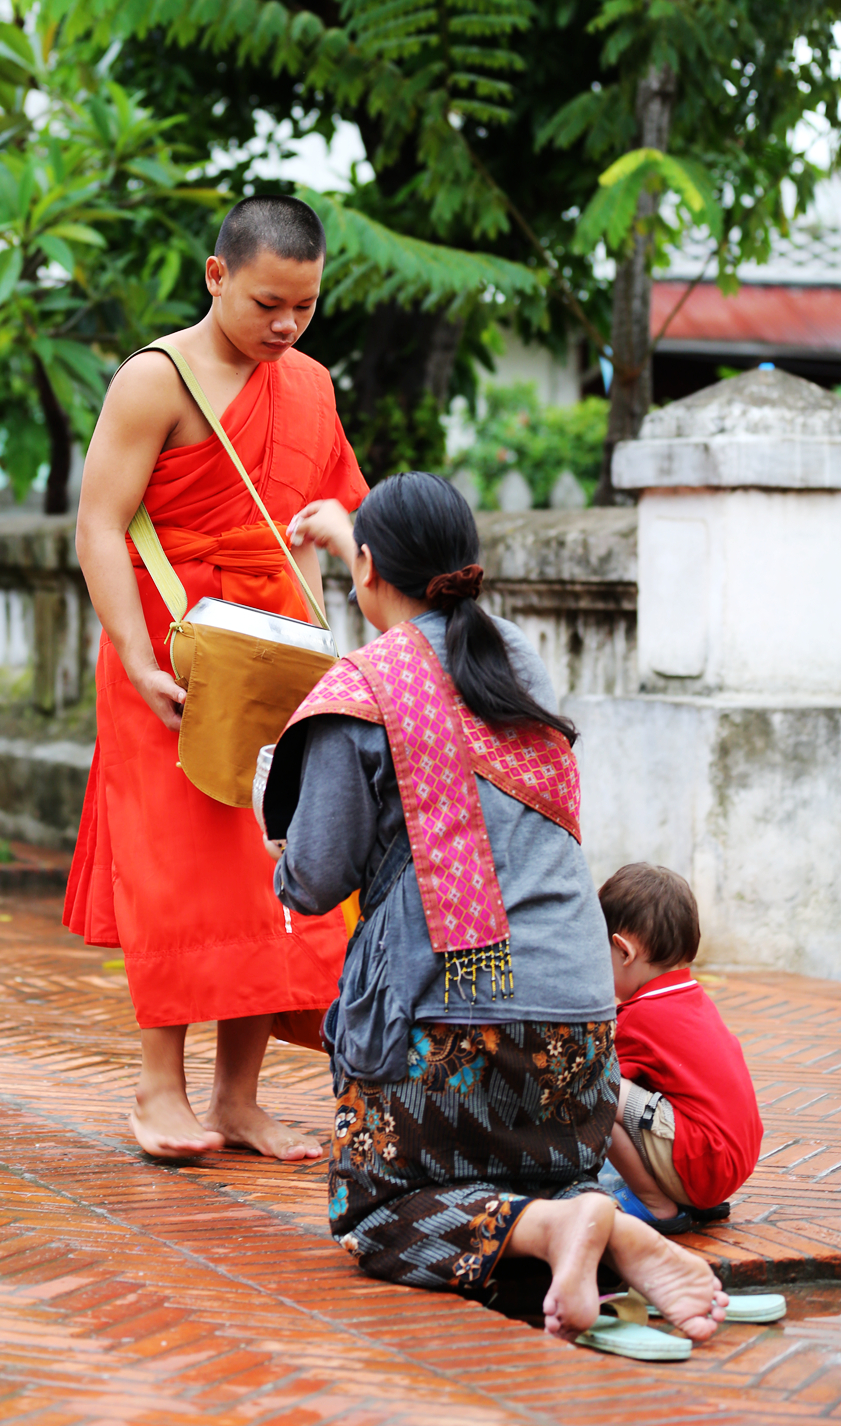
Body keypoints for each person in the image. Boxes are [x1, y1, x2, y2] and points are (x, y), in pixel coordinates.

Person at [261, 474, 726, 1344]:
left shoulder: (359, 689)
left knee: (375, 1211)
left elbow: (316, 880)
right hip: (584, 1037)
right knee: (533, 1170)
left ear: (364, 567)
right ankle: (589, 1211)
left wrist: (281, 847)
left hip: (453, 1035)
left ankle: (558, 1226)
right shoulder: (515, 657)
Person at [65, 195, 368, 1162]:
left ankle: (238, 1098)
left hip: (276, 656)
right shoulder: (155, 381)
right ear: (216, 276)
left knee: (276, 869)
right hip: (172, 654)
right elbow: (99, 527)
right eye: (268, 304)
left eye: (305, 309)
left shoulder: (312, 387)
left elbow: (326, 524)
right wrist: (138, 655)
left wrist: (328, 660)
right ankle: (159, 1093)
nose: (284, 326)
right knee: (179, 870)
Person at [600, 862, 763, 1233]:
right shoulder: (693, 999)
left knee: (592, 1085)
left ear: (623, 951)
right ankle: (693, 1197)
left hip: (704, 1165)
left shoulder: (639, 1017)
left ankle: (657, 1204)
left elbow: (597, 1083)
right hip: (731, 1163)